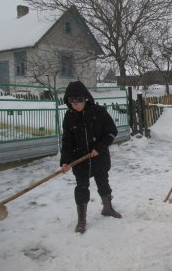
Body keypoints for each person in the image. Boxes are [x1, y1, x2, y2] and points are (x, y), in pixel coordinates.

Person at [60, 81, 122, 234]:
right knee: (81, 188)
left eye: (78, 100)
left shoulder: (98, 112)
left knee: (103, 183)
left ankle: (107, 208)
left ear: (85, 98)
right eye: (71, 101)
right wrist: (65, 161)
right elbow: (67, 140)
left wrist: (99, 147)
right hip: (79, 160)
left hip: (99, 158)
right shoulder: (69, 117)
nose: (75, 105)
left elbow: (111, 132)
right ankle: (81, 220)